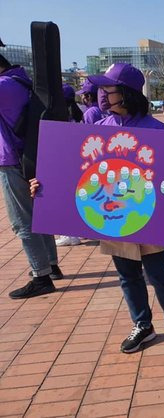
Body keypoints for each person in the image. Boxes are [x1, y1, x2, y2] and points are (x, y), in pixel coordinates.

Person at [86, 63, 164, 355]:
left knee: (159, 274)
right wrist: (45, 187)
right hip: (114, 216)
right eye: (100, 89)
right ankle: (143, 325)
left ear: (126, 93)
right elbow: (80, 173)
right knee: (127, 275)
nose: (102, 95)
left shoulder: (156, 129)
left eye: (108, 89)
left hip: (151, 217)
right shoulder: (98, 130)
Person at [0, 52, 63, 299]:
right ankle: (50, 264)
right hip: (31, 157)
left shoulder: (3, 86)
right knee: (39, 216)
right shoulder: (22, 82)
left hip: (13, 161)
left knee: (22, 221)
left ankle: (41, 276)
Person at [55, 84, 84, 247]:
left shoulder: (58, 115)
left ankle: (69, 234)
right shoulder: (81, 110)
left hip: (64, 163)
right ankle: (76, 231)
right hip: (79, 161)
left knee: (65, 199)